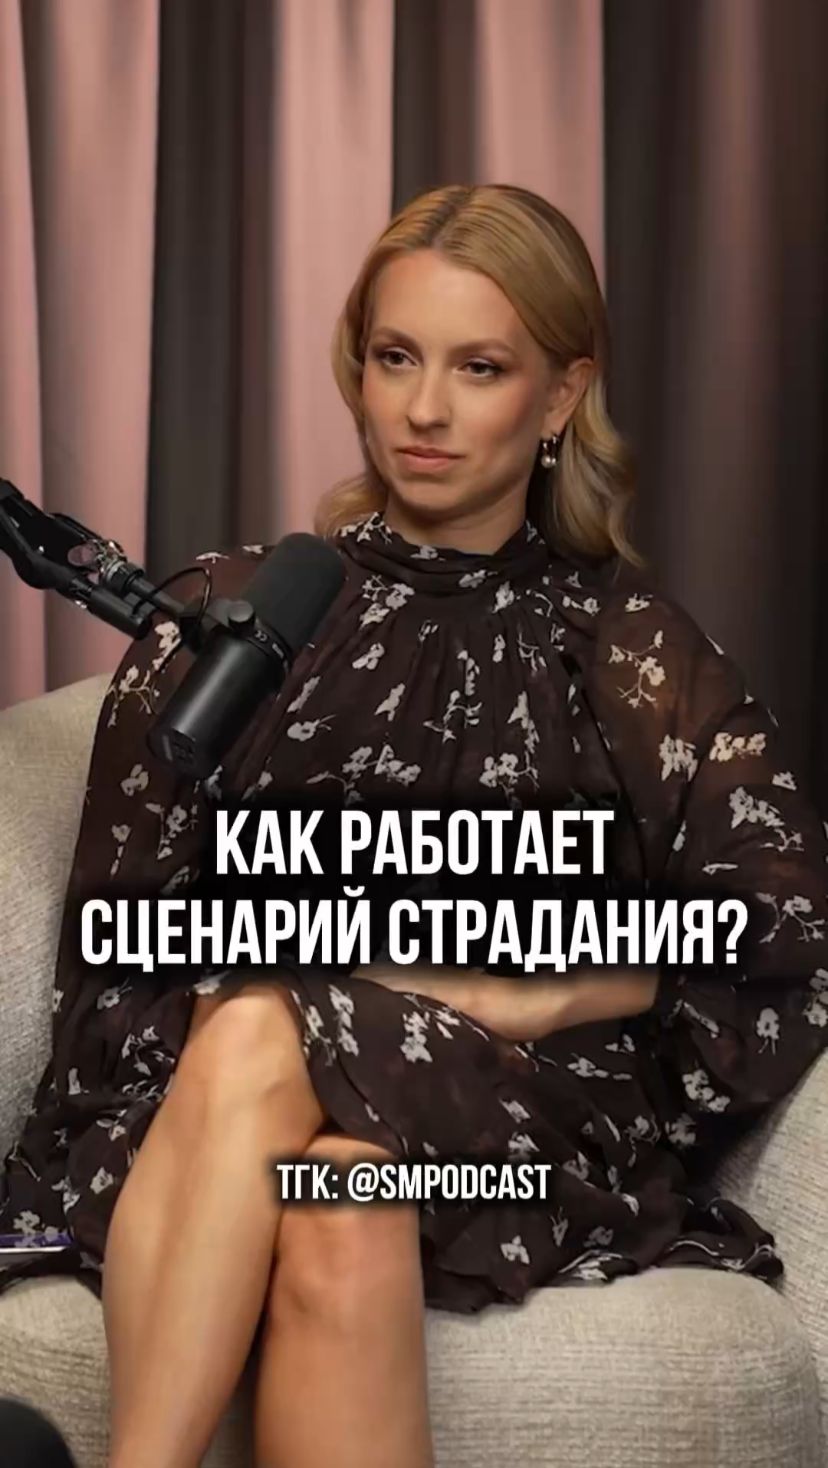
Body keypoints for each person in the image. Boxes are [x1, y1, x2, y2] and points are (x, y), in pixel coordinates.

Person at [1, 183, 826, 1468]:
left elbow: (775, 927)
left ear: (559, 396)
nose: (424, 410)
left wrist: (527, 994)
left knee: (267, 1032)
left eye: (479, 368)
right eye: (396, 358)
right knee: (339, 1215)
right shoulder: (246, 612)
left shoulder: (627, 651)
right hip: (241, 1128)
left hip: (505, 1151)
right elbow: (122, 937)